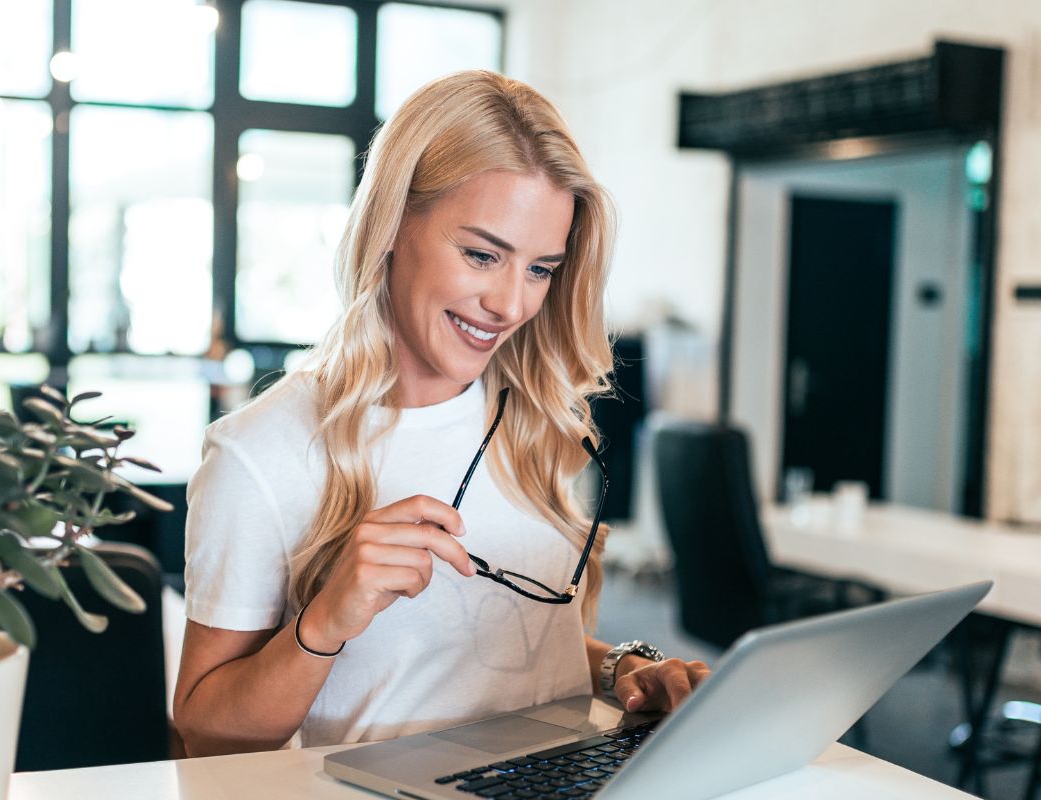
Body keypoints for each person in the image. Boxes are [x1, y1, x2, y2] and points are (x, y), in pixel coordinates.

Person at [173, 70, 709, 757]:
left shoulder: (530, 417)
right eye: (483, 255)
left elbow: (510, 647)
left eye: (540, 269)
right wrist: (328, 616)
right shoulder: (261, 453)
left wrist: (620, 670)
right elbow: (206, 728)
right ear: (393, 223)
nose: (511, 305)